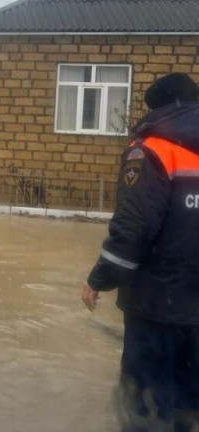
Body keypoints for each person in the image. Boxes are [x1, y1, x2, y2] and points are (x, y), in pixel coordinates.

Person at [82, 72, 199, 431]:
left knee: (145, 406)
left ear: (157, 107)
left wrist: (99, 279)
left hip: (157, 303)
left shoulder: (152, 148)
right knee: (189, 406)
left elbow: (136, 225)